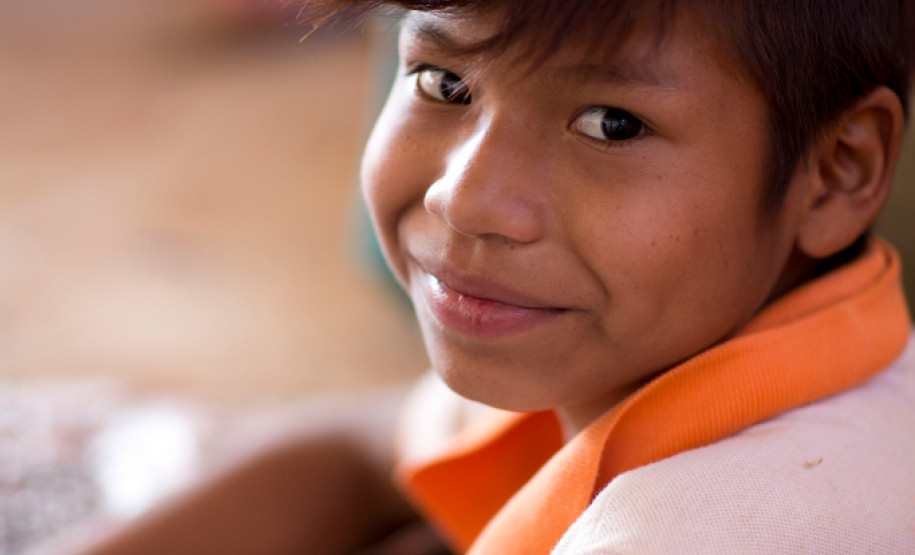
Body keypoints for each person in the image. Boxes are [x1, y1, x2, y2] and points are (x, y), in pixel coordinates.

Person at [64, 0, 915, 553]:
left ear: (836, 171)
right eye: (443, 82)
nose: (464, 198)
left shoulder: (717, 527)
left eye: (612, 125)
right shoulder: (652, 349)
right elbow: (368, 448)